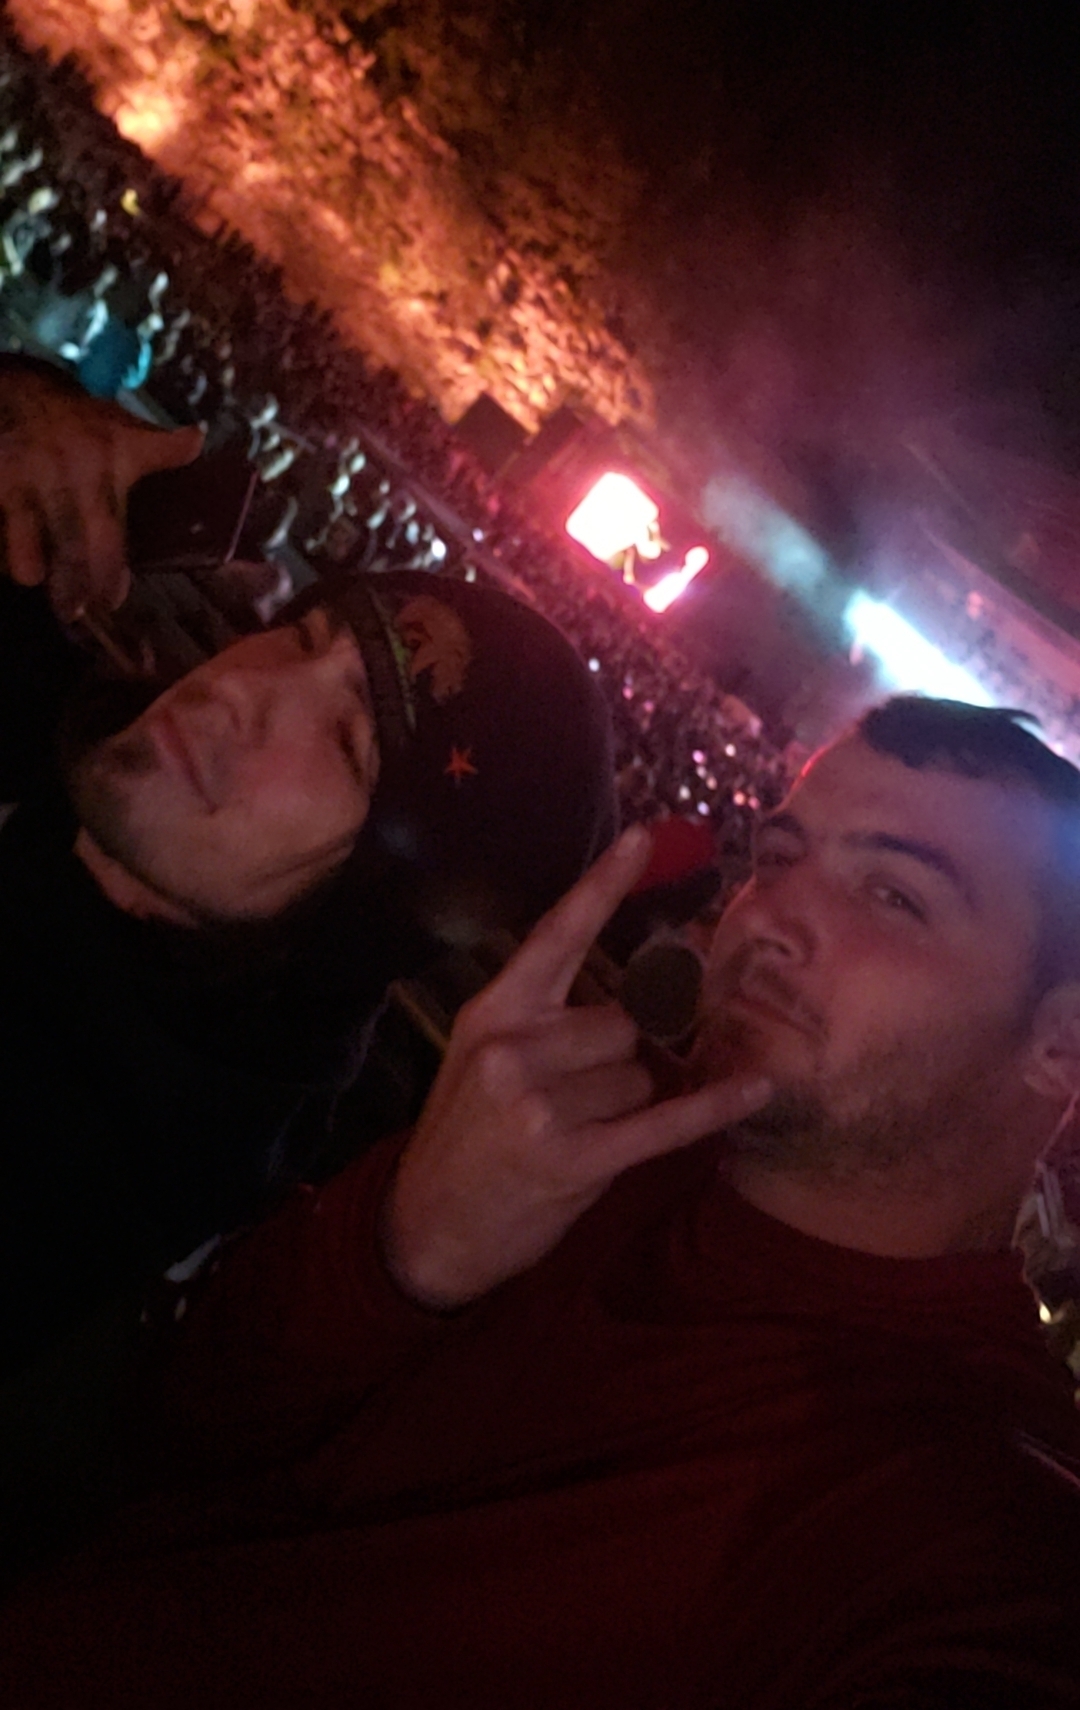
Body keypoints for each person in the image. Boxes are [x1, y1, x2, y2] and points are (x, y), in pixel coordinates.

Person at [3, 695, 1079, 1706]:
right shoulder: (560, 1121)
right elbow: (160, 1423)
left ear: (1062, 1044)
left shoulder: (979, 1515)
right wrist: (396, 1250)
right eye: (780, 857)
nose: (772, 920)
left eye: (894, 896)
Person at [0, 352, 616, 1377]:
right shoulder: (34, 698)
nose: (245, 690)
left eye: (347, 744)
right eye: (300, 640)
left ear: (372, 908)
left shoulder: (99, 1195)